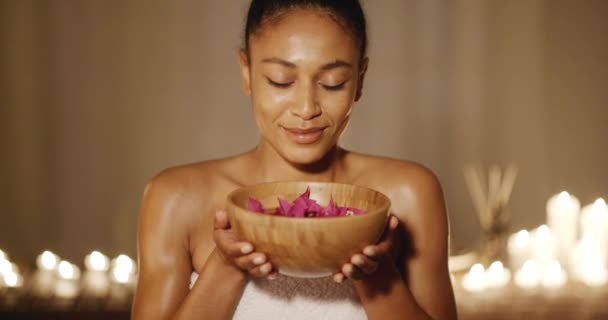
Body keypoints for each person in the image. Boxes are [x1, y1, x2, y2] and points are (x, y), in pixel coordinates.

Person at [131, 1, 457, 319]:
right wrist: (227, 265)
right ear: (246, 71)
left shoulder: (407, 194)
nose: (306, 108)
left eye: (333, 83)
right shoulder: (177, 198)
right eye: (280, 80)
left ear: (360, 78)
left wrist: (376, 274)